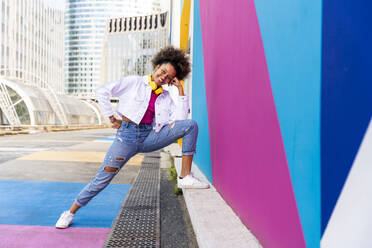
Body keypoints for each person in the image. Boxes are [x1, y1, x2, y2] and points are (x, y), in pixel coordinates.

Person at [55, 46, 209, 229]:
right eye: (163, 71)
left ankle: (185, 176)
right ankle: (70, 212)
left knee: (190, 126)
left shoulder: (165, 96)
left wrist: (180, 91)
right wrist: (111, 118)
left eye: (169, 77)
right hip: (126, 139)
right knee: (102, 179)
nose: (164, 77)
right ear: (157, 65)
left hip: (150, 136)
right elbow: (102, 90)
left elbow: (180, 121)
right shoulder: (134, 82)